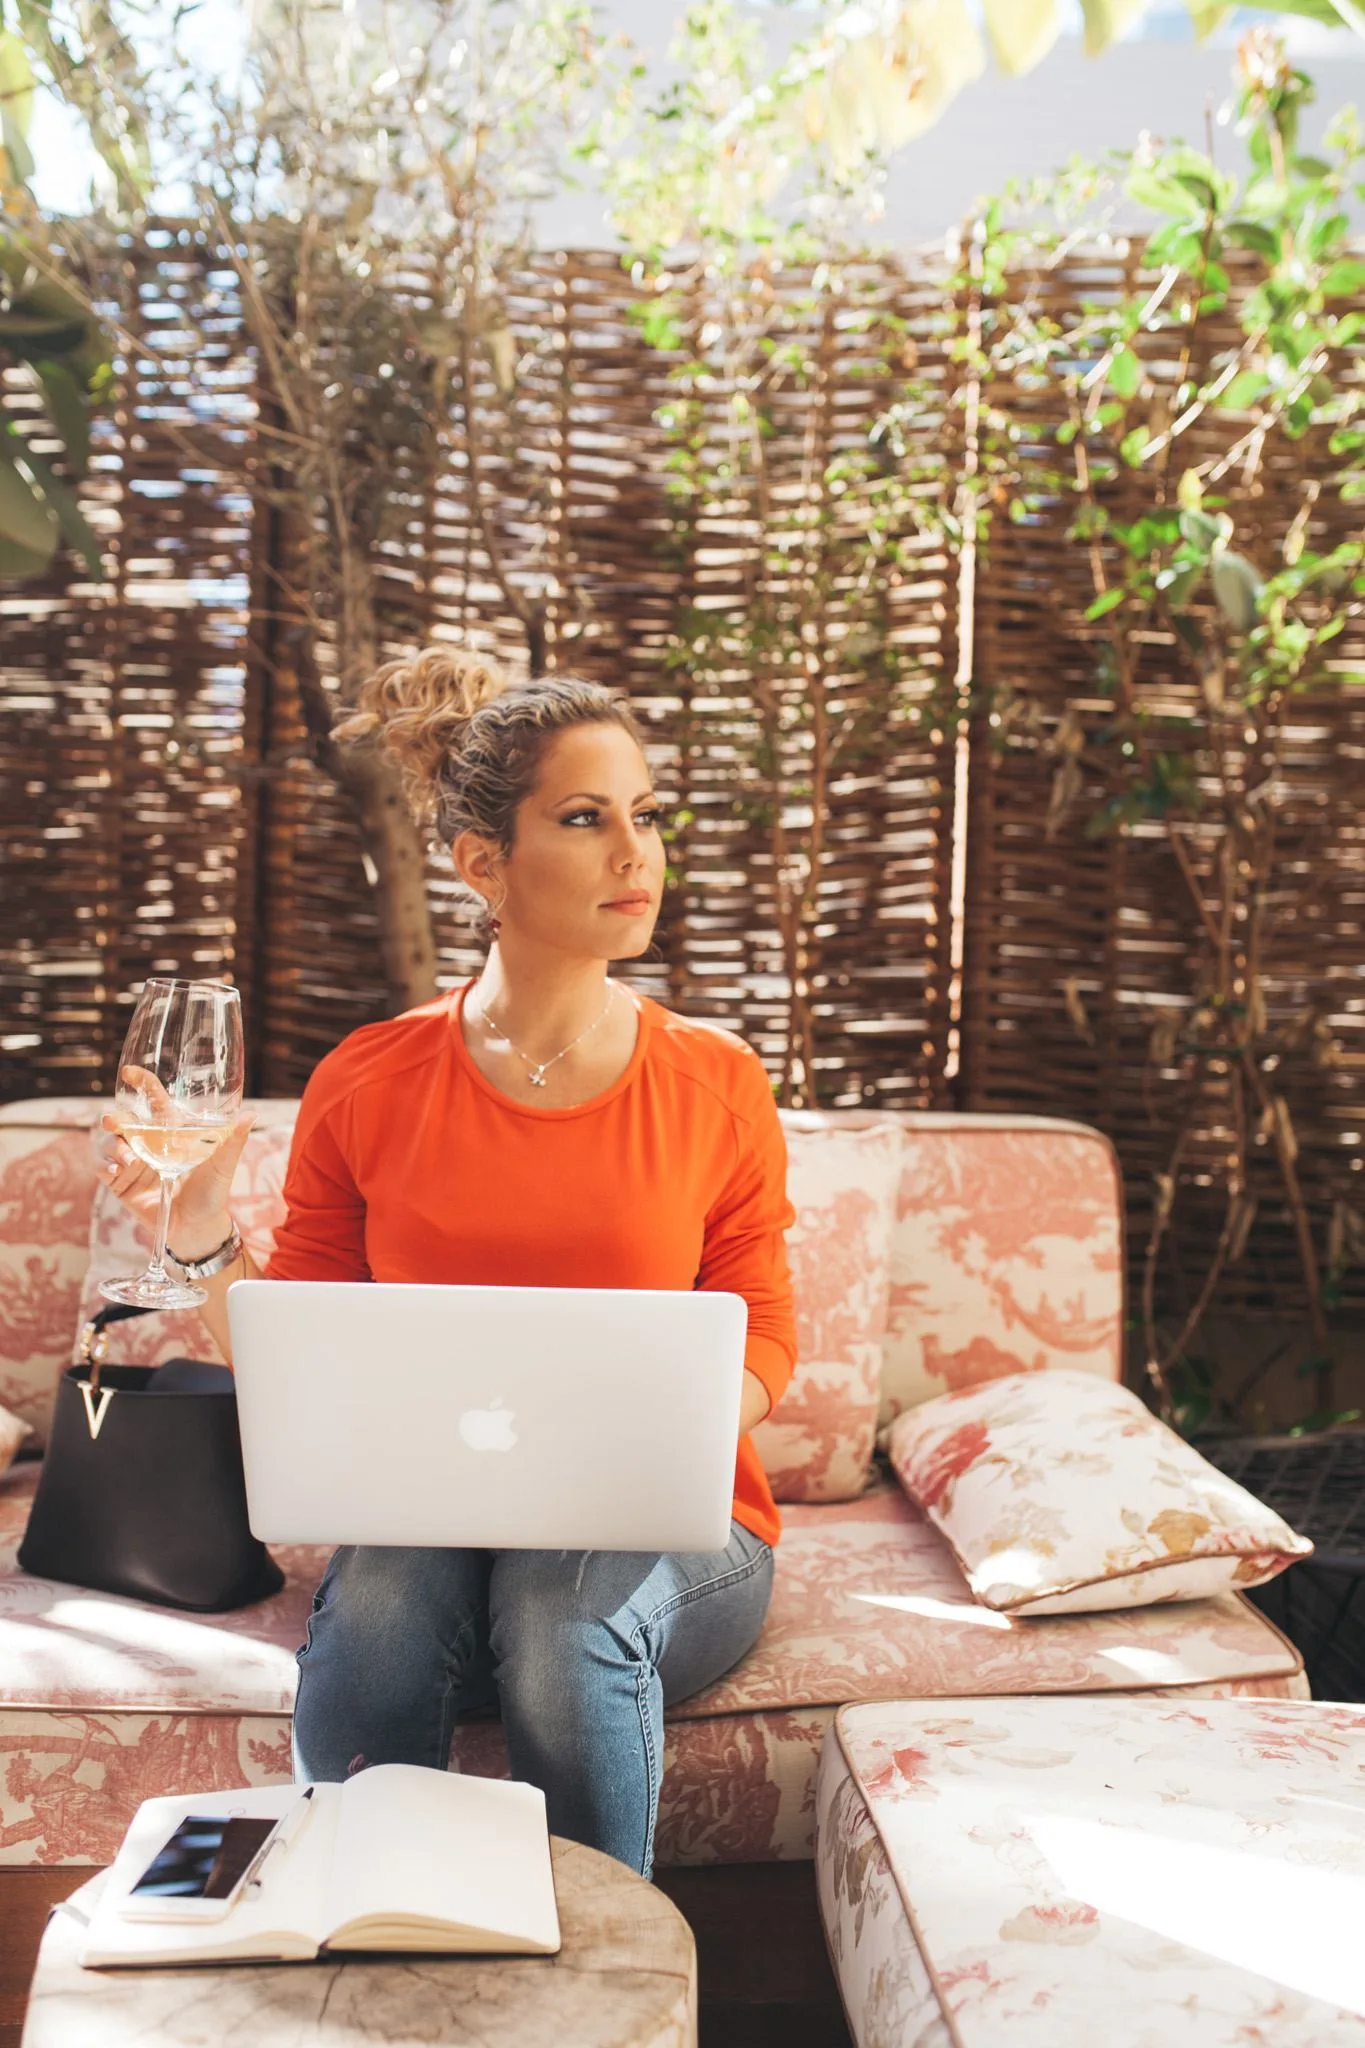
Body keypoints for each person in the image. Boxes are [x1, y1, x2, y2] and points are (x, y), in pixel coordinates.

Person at [95, 646, 797, 1880]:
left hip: (673, 1525)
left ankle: (600, 1965)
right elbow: (299, 1344)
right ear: (483, 864)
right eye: (584, 819)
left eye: (645, 815)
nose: (635, 854)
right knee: (378, 1609)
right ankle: (361, 1932)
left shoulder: (716, 1080)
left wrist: (649, 1439)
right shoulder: (369, 1077)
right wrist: (200, 1226)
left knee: (559, 1610)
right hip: (426, 1520)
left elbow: (768, 1331)